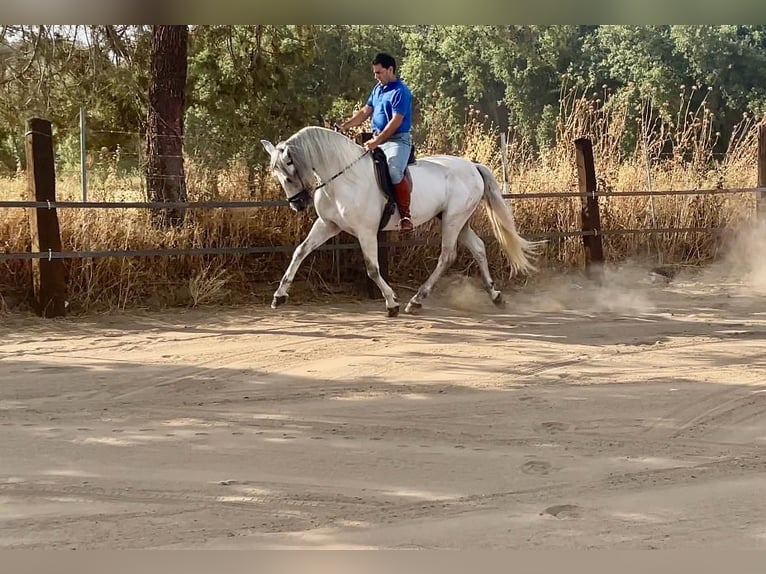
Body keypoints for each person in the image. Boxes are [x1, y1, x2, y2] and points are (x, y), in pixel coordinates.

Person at [337, 53, 414, 232]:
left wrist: (376, 141)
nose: (376, 76)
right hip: (377, 138)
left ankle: (405, 215)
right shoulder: (378, 89)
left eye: (379, 72)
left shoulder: (400, 91)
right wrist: (344, 126)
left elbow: (395, 122)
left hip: (397, 140)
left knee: (394, 170)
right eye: (375, 73)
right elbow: (365, 112)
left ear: (390, 70)